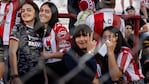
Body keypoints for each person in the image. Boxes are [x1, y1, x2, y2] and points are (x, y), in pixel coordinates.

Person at [9, 1, 45, 84]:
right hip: (23, 75)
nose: (25, 13)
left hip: (39, 75)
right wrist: (15, 76)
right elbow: (12, 52)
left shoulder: (41, 31)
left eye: (29, 10)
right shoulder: (18, 28)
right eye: (23, 11)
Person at [39, 2, 72, 84]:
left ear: (53, 14)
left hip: (59, 67)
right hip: (45, 68)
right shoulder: (40, 30)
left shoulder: (59, 28)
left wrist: (48, 55)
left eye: (47, 11)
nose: (43, 13)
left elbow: (66, 52)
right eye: (41, 10)